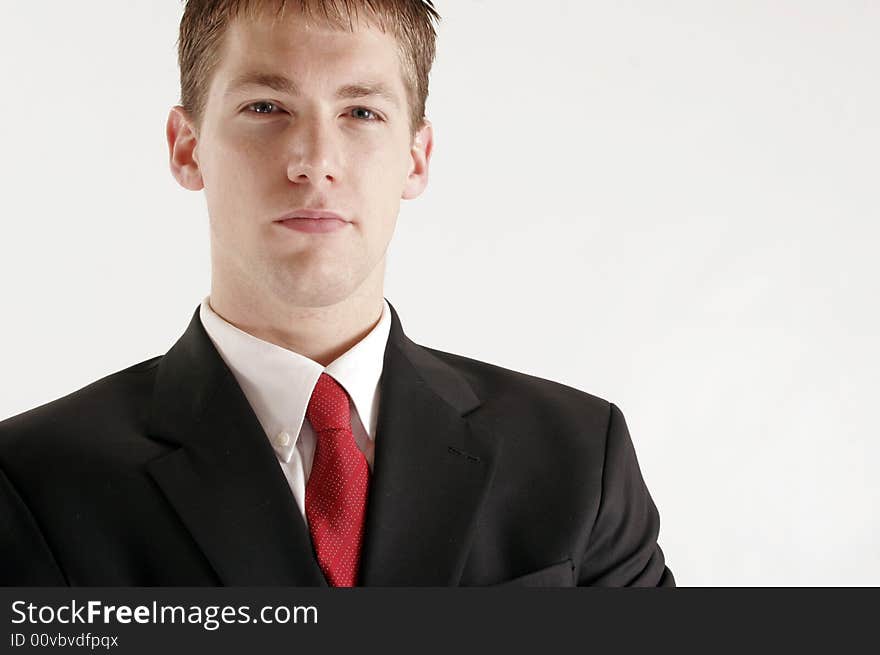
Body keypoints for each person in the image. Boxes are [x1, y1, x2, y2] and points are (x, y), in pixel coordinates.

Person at [0, 0, 673, 586]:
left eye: (360, 111)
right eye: (266, 107)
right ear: (186, 147)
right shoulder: (32, 482)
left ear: (417, 157)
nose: (315, 159)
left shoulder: (581, 460)